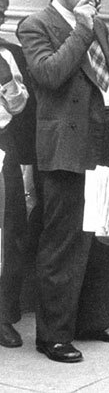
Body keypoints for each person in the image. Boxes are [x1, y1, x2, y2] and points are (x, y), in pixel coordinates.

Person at [17, 0, 109, 363]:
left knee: (100, 235)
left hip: (105, 139)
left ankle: (92, 321)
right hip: (65, 146)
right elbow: (49, 75)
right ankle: (53, 334)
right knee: (62, 243)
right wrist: (82, 29)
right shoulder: (36, 25)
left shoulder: (96, 24)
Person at [0, 38, 35, 349]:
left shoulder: (8, 55)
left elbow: (19, 105)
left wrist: (6, 79)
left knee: (9, 229)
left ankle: (4, 314)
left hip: (2, 144)